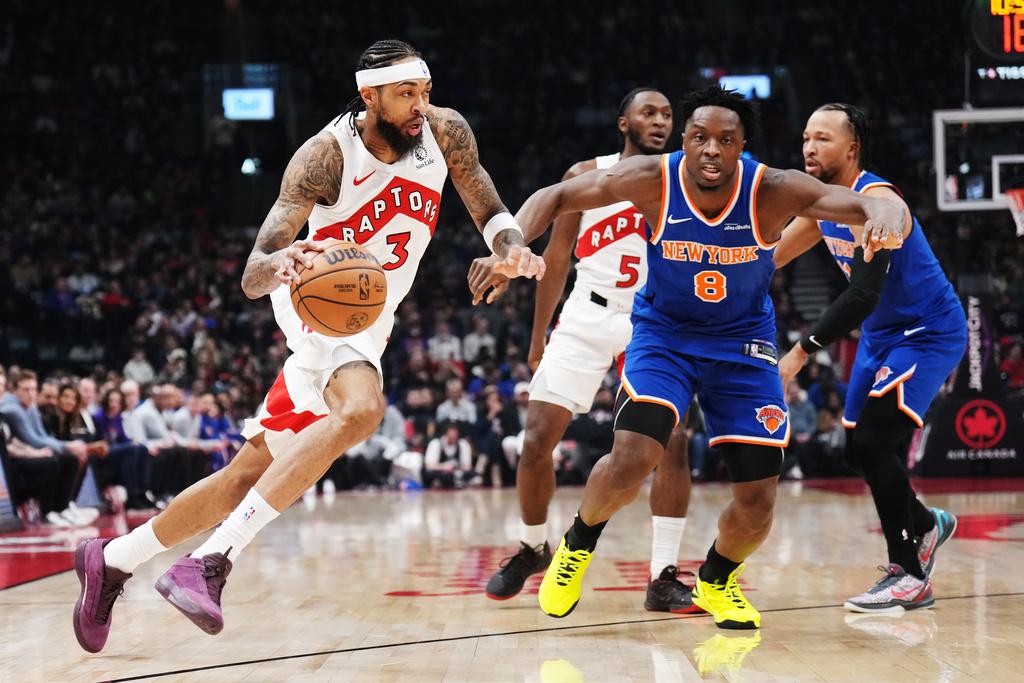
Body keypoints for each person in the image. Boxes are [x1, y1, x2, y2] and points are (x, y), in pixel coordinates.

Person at [72, 39, 543, 654]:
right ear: (369, 95)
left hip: (371, 314)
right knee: (363, 408)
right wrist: (282, 263)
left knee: (247, 475)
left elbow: (488, 203)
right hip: (313, 298)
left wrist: (509, 247)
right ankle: (212, 560)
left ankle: (111, 560)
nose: (420, 107)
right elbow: (251, 273)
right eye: (406, 94)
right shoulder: (324, 156)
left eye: (425, 92)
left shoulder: (445, 132)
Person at [502, 85, 906, 629]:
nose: (711, 149)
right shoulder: (652, 178)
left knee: (759, 499)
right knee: (633, 456)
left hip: (742, 345)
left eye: (725, 139)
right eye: (699, 138)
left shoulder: (774, 189)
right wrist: (506, 245)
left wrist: (887, 212)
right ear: (684, 142)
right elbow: (556, 196)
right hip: (665, 335)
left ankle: (716, 577)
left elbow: (869, 202)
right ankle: (576, 545)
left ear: (743, 147)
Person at [471, 88, 700, 613]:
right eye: (650, 112)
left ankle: (663, 575)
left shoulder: (682, 177)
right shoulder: (585, 173)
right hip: (586, 313)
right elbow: (556, 255)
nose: (661, 121)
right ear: (623, 122)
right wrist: (537, 336)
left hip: (651, 320)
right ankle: (532, 548)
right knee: (534, 439)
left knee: (675, 443)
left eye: (668, 115)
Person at [773, 103, 966, 614]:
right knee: (853, 450)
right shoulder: (823, 207)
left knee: (878, 440)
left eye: (823, 139)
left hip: (927, 331)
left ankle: (909, 575)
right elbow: (765, 256)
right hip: (883, 335)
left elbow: (863, 295)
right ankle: (926, 524)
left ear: (851, 148)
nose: (810, 148)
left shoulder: (878, 199)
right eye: (806, 139)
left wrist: (797, 353)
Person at [0, 369, 90, 526]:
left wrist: (64, 447)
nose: (31, 394)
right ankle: (47, 512)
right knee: (52, 461)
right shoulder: (12, 409)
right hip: (12, 462)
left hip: (23, 453)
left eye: (34, 389)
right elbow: (32, 440)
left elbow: (42, 436)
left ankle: (62, 508)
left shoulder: (30, 407)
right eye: (26, 390)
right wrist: (66, 445)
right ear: (14, 390)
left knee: (69, 459)